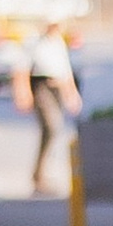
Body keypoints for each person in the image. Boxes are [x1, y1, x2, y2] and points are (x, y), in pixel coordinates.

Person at [19, 15, 81, 194]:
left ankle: (44, 173)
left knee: (56, 131)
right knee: (51, 127)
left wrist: (71, 93)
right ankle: (39, 175)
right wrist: (23, 92)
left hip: (57, 87)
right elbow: (22, 69)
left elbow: (65, 71)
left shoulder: (58, 42)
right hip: (42, 86)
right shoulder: (35, 42)